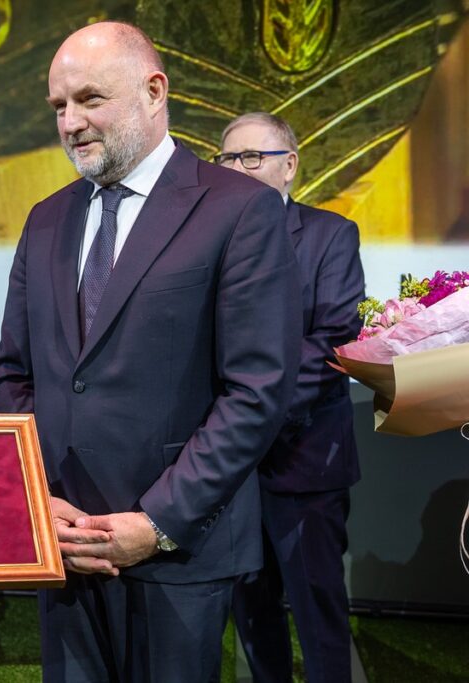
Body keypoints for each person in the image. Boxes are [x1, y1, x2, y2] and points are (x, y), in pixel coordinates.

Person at [0, 22, 303, 682]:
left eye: (89, 99)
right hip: (65, 546)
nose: (70, 122)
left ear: (154, 90)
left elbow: (257, 391)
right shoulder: (45, 218)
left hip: (177, 554)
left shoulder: (240, 209)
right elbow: (14, 373)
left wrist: (156, 521)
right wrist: (38, 498)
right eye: (58, 107)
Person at [218, 112, 364, 683]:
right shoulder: (210, 245)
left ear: (290, 168)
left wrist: (249, 409)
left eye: (254, 158)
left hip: (304, 462)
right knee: (250, 610)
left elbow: (333, 342)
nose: (239, 169)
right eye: (228, 159)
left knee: (318, 607)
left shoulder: (330, 235)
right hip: (228, 468)